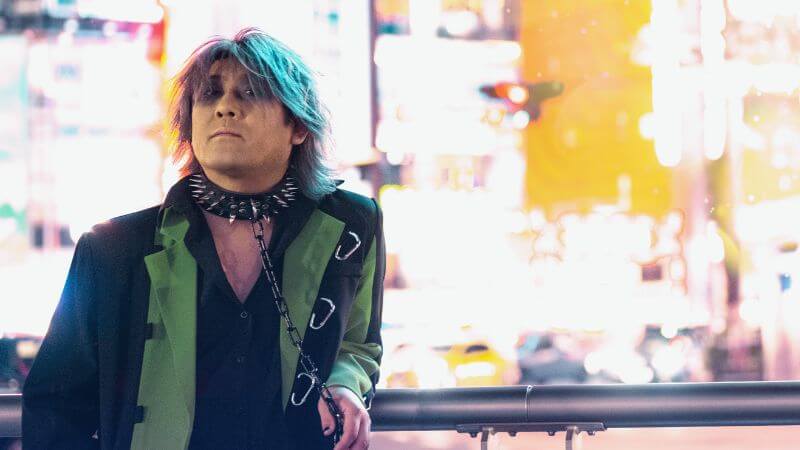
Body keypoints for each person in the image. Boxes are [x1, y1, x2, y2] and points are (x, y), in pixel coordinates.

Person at [22, 28, 385, 450]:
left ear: (299, 127)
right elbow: (55, 408)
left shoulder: (351, 225)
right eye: (210, 94)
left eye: (251, 93)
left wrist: (345, 383)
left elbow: (358, 342)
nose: (226, 107)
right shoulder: (114, 249)